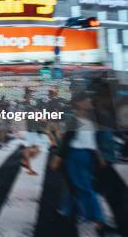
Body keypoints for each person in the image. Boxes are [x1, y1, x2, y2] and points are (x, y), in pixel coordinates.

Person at [50, 91, 107, 234]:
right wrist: (58, 159)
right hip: (76, 156)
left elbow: (92, 142)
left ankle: (66, 211)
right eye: (86, 100)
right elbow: (65, 142)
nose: (89, 101)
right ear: (78, 104)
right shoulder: (73, 121)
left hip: (88, 156)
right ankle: (98, 219)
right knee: (85, 188)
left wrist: (98, 157)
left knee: (77, 185)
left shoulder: (91, 120)